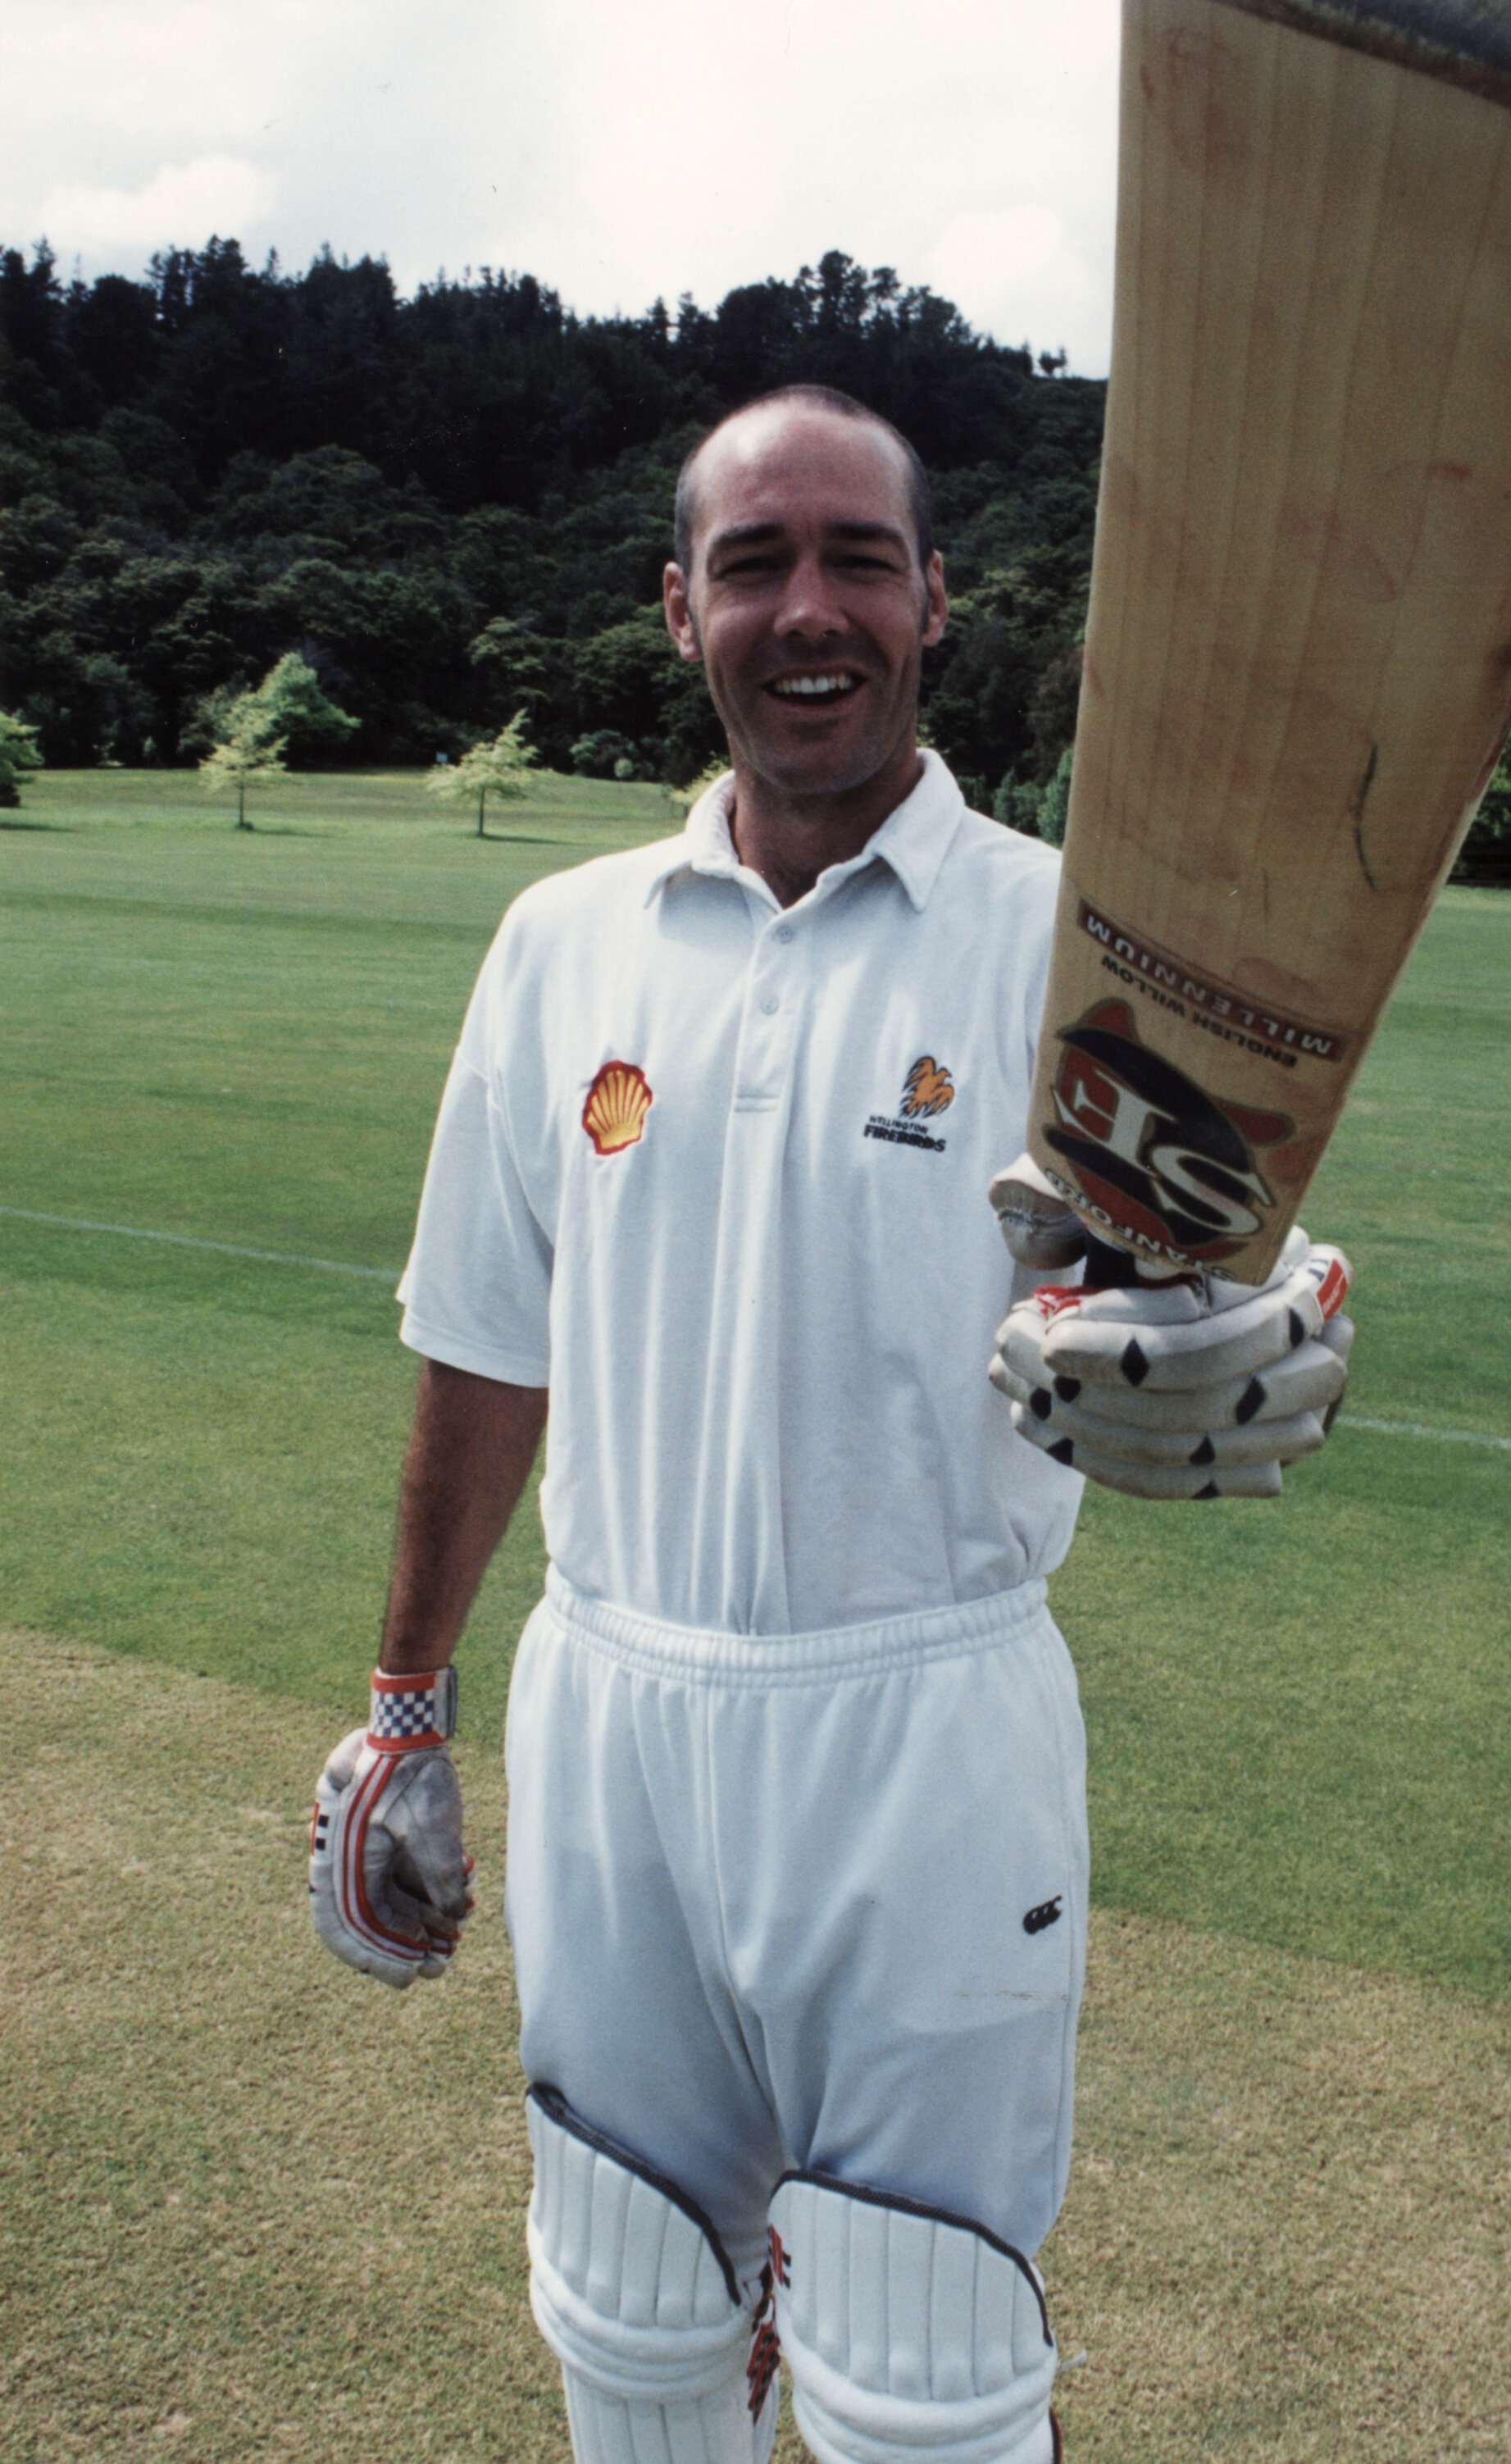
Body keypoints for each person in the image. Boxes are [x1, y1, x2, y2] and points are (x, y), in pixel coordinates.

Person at [308, 385, 1353, 2464]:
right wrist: (407, 1701)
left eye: (859, 558)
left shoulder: (1071, 940)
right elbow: (483, 1343)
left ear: (936, 600)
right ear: (675, 601)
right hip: (608, 1711)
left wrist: (1285, 1313)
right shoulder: (559, 944)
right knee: (623, 2317)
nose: (812, 608)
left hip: (926, 1733)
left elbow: (1237, 1259)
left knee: (922, 2381)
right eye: (759, 561)